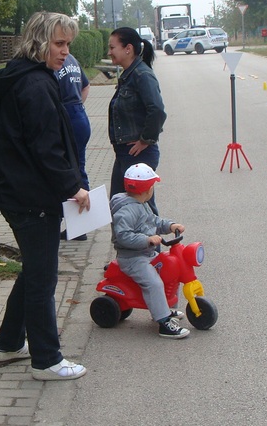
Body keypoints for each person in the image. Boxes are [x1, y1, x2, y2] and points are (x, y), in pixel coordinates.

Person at [0, 11, 90, 381]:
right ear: (40, 42)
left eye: (68, 44)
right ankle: (47, 360)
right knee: (43, 279)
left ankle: (8, 344)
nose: (65, 52)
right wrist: (72, 188)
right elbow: (47, 147)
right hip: (32, 197)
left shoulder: (27, 77)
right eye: (59, 44)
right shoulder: (35, 85)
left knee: (34, 272)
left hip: (21, 192)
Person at [110, 163, 189, 339]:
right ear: (146, 190)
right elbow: (123, 236)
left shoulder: (141, 204)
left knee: (169, 271)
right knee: (154, 283)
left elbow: (153, 221)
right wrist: (147, 240)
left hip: (145, 254)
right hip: (132, 258)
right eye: (152, 186)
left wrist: (170, 225)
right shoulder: (126, 211)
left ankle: (164, 308)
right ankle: (163, 322)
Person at [107, 27, 167, 214]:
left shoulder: (142, 75)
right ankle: (127, 243)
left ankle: (152, 243)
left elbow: (156, 110)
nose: (109, 52)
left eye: (112, 47)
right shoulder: (129, 75)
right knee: (120, 205)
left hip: (138, 154)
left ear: (128, 49)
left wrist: (145, 140)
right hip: (125, 154)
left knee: (143, 211)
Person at [55, 52, 91, 241]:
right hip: (79, 115)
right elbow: (85, 86)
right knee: (79, 169)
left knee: (69, 171)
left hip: (68, 115)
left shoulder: (54, 60)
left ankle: (77, 225)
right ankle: (80, 225)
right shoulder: (72, 58)